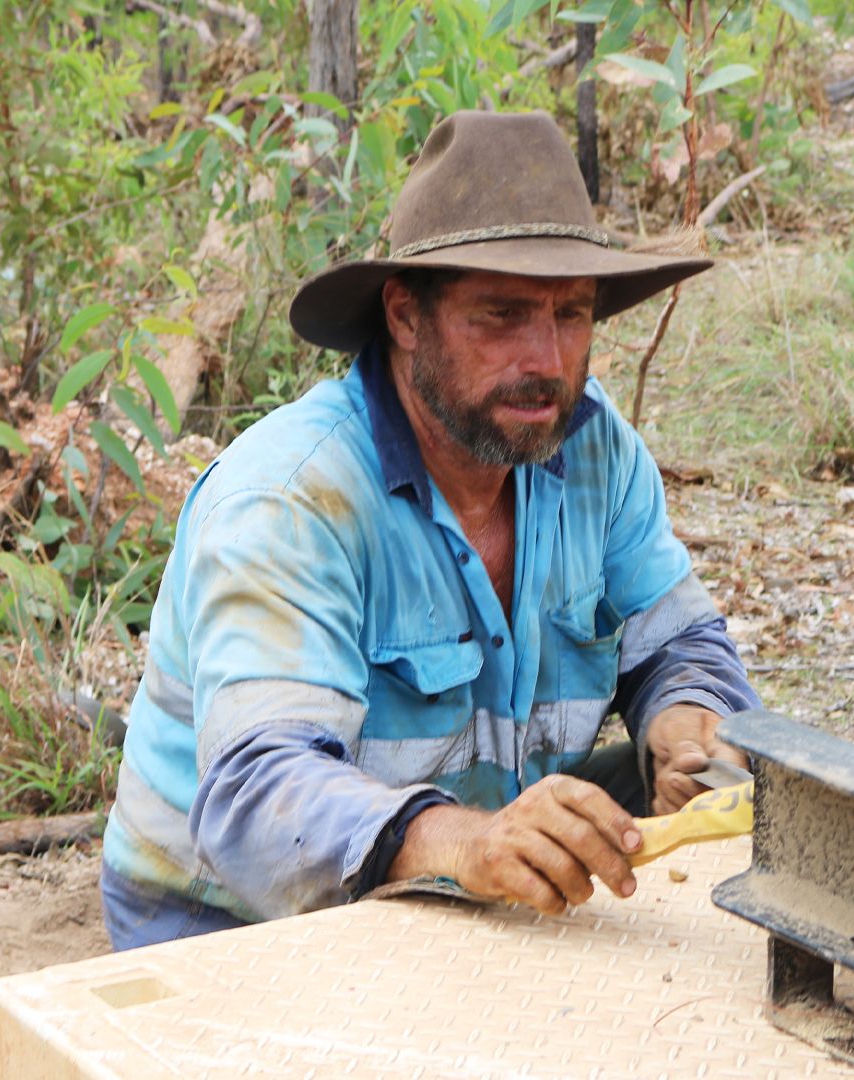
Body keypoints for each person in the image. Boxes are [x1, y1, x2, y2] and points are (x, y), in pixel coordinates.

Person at [100, 110, 761, 950]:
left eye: (572, 314)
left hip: (473, 854)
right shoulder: (293, 499)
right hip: (225, 919)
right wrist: (467, 843)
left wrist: (685, 722)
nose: (548, 361)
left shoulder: (593, 452)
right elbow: (260, 795)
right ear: (405, 317)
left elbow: (679, 643)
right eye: (501, 316)